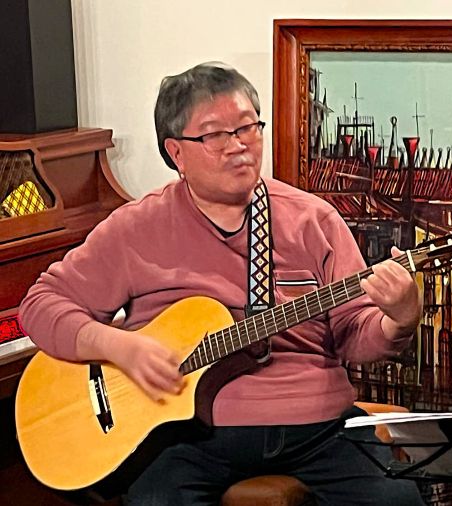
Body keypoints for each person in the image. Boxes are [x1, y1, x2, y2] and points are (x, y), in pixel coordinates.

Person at [18, 62, 425, 505]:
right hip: (190, 435)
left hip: (318, 428)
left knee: (396, 499)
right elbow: (40, 304)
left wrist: (399, 319)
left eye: (248, 127)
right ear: (176, 152)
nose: (239, 146)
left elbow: (355, 335)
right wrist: (118, 346)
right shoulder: (136, 227)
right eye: (216, 135)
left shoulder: (314, 220)